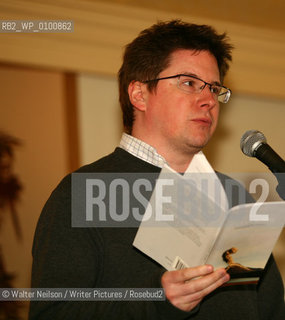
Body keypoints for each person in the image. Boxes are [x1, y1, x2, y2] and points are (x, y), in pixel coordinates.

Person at [29, 20, 285, 319]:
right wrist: (156, 302)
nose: (208, 100)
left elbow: (271, 310)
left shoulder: (236, 197)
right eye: (189, 83)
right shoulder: (81, 193)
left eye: (214, 89)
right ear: (139, 94)